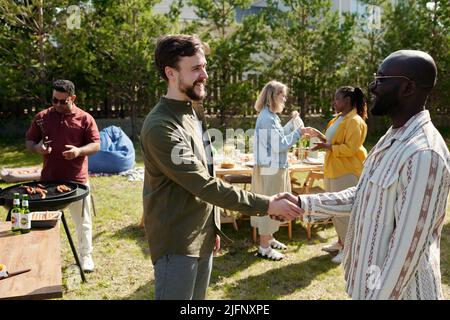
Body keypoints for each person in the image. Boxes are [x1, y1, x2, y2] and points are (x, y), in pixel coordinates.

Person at [140, 34, 302, 300]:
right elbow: (203, 184)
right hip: (177, 242)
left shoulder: (192, 112)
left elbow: (208, 171)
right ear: (170, 73)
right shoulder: (161, 126)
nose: (204, 75)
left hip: (201, 237)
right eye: (195, 68)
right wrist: (268, 204)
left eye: (204, 66)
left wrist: (212, 227)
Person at [292, 50, 450, 299]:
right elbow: (364, 195)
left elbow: (404, 254)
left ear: (407, 88)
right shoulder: (393, 137)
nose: (371, 87)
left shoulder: (423, 154)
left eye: (381, 79)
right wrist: (302, 203)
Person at [26, 79, 100, 272]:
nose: (57, 104)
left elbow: (96, 145)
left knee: (83, 222)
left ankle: (85, 257)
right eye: (54, 100)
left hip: (77, 180)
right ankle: (44, 258)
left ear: (72, 98)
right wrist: (37, 147)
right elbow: (29, 141)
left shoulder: (85, 118)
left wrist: (78, 151)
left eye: (62, 101)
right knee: (45, 222)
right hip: (48, 181)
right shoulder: (42, 117)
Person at [308, 86, 368, 264]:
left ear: (347, 101)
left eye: (337, 99)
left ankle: (349, 250)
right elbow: (332, 141)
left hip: (347, 171)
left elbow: (351, 149)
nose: (334, 102)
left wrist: (327, 147)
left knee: (345, 212)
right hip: (333, 169)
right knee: (334, 209)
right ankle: (341, 242)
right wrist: (319, 136)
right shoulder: (338, 119)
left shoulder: (355, 121)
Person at [251, 80, 310, 261]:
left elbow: (280, 136)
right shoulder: (268, 118)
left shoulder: (271, 116)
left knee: (275, 205)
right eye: (281, 95)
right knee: (270, 206)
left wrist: (293, 125)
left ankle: (269, 238)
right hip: (271, 169)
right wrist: (299, 133)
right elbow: (280, 145)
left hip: (274, 168)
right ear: (272, 96)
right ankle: (264, 247)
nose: (284, 99)